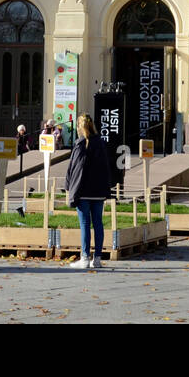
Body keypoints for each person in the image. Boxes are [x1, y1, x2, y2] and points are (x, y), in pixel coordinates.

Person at [64, 113, 111, 270]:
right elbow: (106, 168)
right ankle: (97, 258)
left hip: (83, 190)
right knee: (98, 223)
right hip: (98, 191)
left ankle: (84, 257)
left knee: (85, 223)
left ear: (79, 126)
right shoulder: (100, 143)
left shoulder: (80, 144)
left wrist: (70, 188)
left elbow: (74, 169)